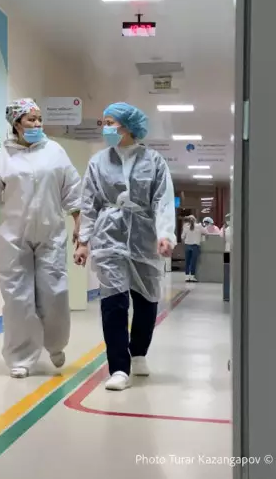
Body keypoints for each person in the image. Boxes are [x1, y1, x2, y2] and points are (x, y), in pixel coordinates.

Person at [0, 98, 83, 379]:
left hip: (50, 234)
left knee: (54, 294)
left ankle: (55, 344)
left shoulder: (55, 152)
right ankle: (21, 357)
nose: (37, 124)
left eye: (39, 119)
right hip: (14, 236)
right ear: (16, 124)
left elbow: (72, 190)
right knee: (18, 299)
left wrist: (79, 223)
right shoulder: (2, 157)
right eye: (31, 119)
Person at [74, 102, 175, 391]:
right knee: (113, 303)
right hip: (109, 237)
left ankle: (139, 352)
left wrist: (165, 234)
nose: (105, 128)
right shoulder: (98, 162)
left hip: (144, 236)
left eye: (110, 122)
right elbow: (89, 203)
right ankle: (119, 367)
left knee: (146, 301)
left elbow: (163, 200)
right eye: (103, 122)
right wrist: (83, 242)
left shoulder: (154, 161)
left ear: (128, 127)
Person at [182, 215, 203, 282]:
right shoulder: (199, 226)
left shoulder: (186, 227)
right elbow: (206, 232)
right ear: (195, 220)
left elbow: (182, 236)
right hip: (195, 246)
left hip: (187, 245)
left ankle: (186, 277)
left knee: (187, 262)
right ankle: (192, 277)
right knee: (193, 262)